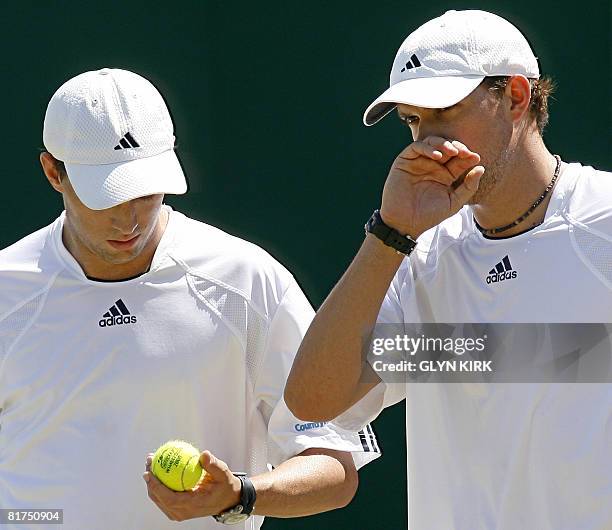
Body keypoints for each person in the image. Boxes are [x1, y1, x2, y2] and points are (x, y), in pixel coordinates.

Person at [0, 68, 380, 530]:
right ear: (52, 172)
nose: (130, 219)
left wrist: (241, 494)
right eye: (107, 195)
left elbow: (333, 464)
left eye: (145, 190)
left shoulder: (247, 280)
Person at [284, 9, 612, 530]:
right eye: (413, 120)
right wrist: (390, 233)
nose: (425, 142)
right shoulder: (416, 255)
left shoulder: (603, 221)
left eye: (445, 112)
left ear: (517, 98)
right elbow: (313, 399)